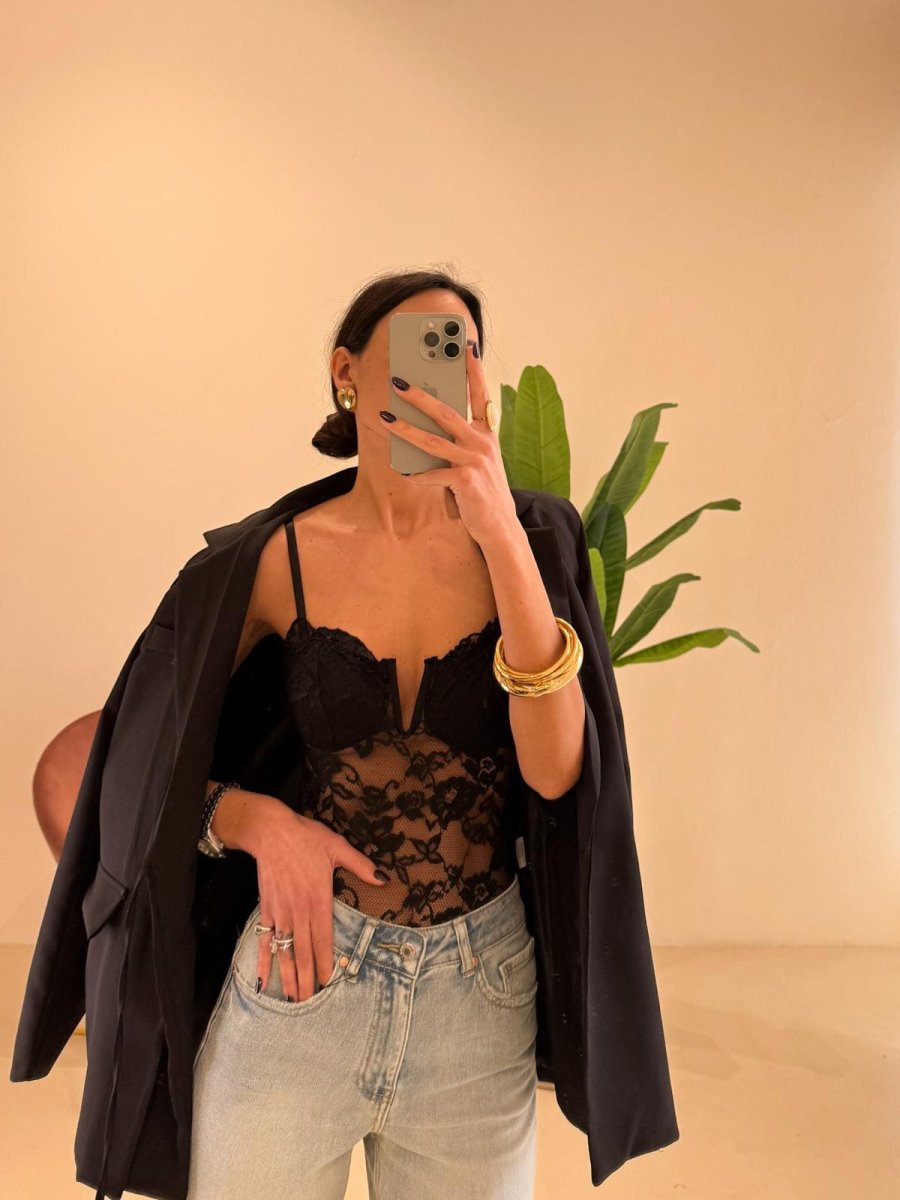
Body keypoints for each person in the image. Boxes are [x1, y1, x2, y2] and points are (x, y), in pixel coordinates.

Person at [185, 272, 588, 1199]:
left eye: (462, 352)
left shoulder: (535, 541)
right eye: (417, 350)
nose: (442, 374)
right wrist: (258, 823)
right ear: (347, 373)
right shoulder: (275, 558)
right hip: (301, 978)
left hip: (481, 999)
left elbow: (557, 771)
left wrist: (500, 531)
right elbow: (137, 759)